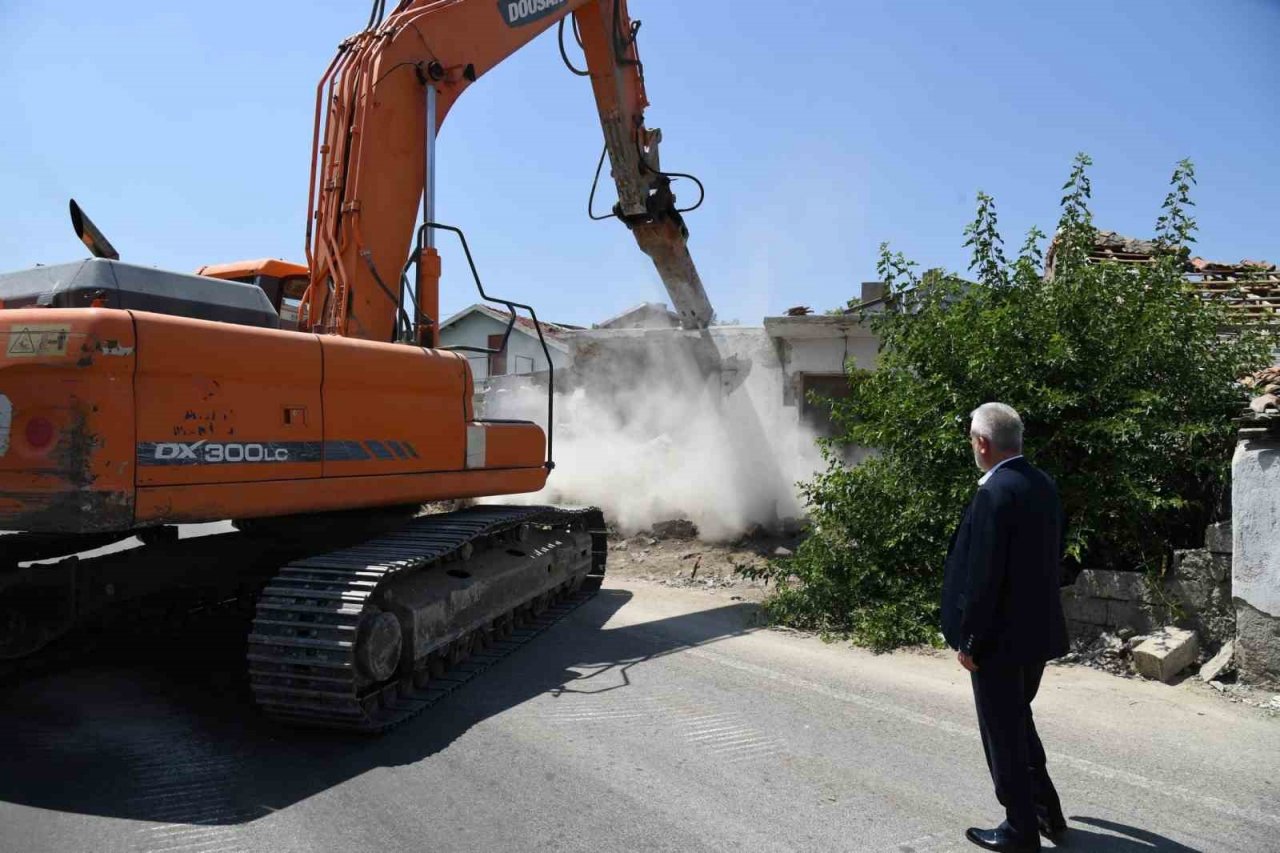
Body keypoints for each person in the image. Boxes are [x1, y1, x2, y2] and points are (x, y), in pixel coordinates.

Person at [941, 403, 1069, 852]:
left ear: (982, 443)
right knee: (1018, 721)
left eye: (971, 440)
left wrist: (971, 640)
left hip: (997, 639)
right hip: (1034, 634)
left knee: (1002, 734)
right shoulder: (1042, 483)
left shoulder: (995, 493)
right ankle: (1045, 811)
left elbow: (984, 576)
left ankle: (1020, 829)